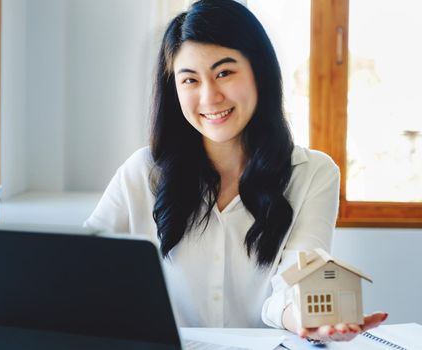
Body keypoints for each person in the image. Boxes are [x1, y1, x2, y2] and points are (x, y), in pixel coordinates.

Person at [85, 0, 386, 343]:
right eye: (190, 80)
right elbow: (82, 269)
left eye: (224, 72)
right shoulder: (143, 172)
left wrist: (305, 317)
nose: (210, 96)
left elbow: (296, 282)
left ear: (260, 72)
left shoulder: (313, 174)